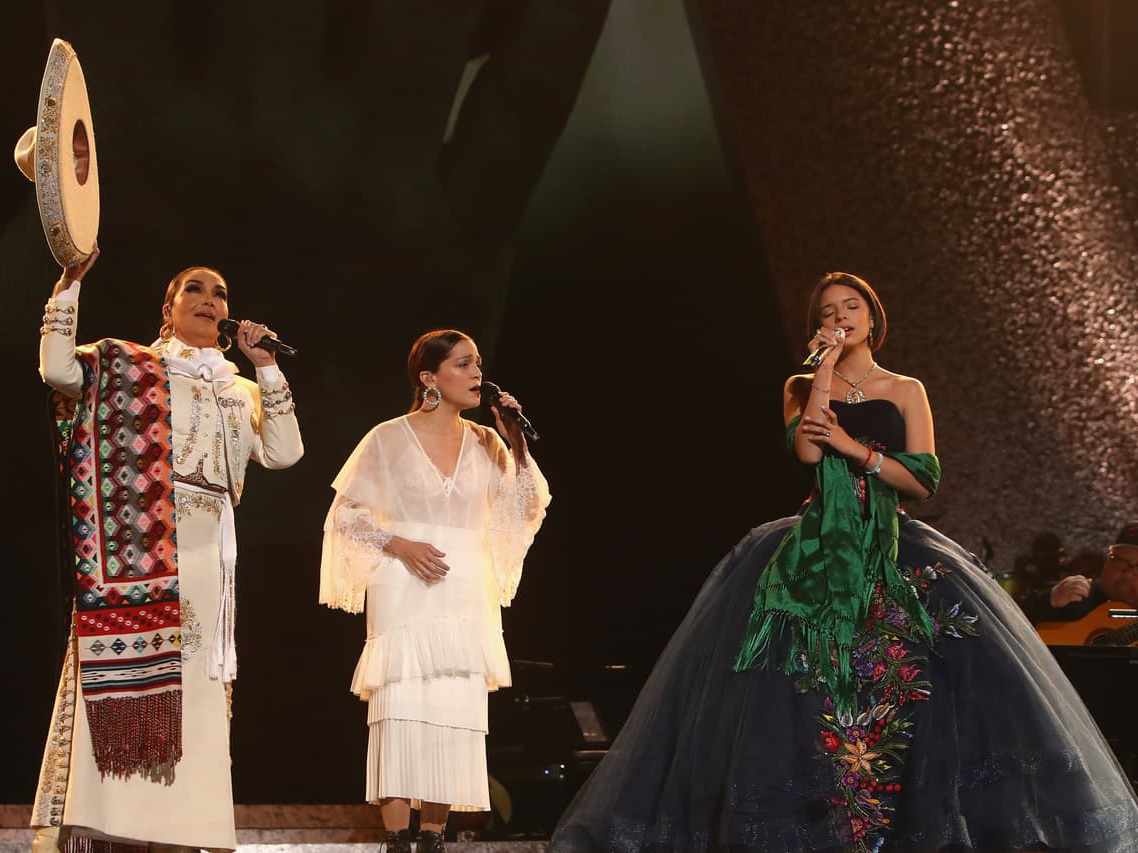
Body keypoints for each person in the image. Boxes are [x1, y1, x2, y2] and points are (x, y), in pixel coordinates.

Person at [548, 272, 1138, 853]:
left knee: (919, 680)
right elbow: (807, 447)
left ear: (873, 318)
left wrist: (858, 450)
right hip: (812, 546)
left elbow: (922, 479)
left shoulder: (906, 388)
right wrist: (822, 370)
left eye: (851, 307)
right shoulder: (801, 386)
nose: (840, 318)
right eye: (827, 313)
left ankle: (911, 822)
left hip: (890, 541)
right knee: (799, 687)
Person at [30, 247, 304, 852]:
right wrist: (69, 285)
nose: (210, 301)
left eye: (220, 294)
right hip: (142, 544)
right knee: (130, 681)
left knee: (198, 691)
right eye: (195, 290)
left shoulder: (237, 386)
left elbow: (284, 454)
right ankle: (119, 824)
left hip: (210, 551)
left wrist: (266, 368)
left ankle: (181, 830)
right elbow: (56, 370)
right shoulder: (132, 365)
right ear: (168, 309)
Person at [319, 329, 551, 853]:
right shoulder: (387, 436)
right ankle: (397, 840)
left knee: (452, 709)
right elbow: (348, 516)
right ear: (430, 377)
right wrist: (398, 543)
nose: (476, 375)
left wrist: (515, 441)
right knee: (401, 706)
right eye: (464, 365)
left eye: (478, 365)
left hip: (466, 587)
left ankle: (433, 837)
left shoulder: (489, 442)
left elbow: (526, 506)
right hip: (404, 583)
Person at [1020, 521, 1138, 624]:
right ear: (1107, 560)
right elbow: (1009, 619)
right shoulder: (1075, 599)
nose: (1127, 574)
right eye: (1120, 561)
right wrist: (1050, 599)